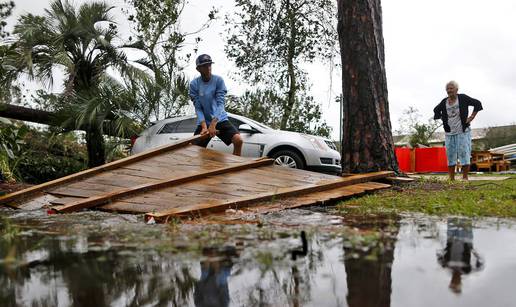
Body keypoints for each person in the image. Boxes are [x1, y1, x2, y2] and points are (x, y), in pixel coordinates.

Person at [189, 54, 243, 156]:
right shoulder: (194, 84)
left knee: (238, 140)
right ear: (198, 69)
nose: (208, 67)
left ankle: (236, 166)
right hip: (204, 122)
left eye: (209, 65)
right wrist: (204, 127)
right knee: (193, 148)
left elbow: (220, 104)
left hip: (220, 119)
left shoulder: (218, 80)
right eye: (205, 66)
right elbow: (198, 108)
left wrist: (213, 124)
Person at [433, 81, 483, 180]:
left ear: (456, 89)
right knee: (450, 155)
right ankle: (451, 178)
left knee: (464, 153)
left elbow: (477, 103)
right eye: (447, 89)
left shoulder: (462, 98)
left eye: (451, 88)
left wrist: (471, 117)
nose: (449, 90)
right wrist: (443, 119)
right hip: (449, 133)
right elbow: (436, 110)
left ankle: (465, 177)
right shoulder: (444, 102)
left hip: (463, 131)